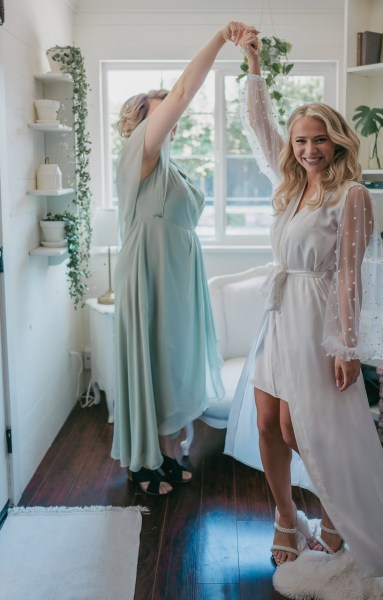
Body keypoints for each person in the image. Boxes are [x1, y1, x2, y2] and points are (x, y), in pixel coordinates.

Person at [225, 32, 383, 578]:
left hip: (317, 322)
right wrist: (253, 63)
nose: (308, 149)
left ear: (338, 142)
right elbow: (259, 127)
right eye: (300, 140)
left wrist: (347, 345)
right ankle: (285, 517)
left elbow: (351, 278)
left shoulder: (351, 195)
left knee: (310, 431)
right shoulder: (292, 182)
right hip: (278, 317)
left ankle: (336, 516)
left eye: (318, 140)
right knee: (267, 423)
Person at [111, 22, 258, 496]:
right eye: (162, 117)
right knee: (152, 361)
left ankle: (169, 452)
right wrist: (219, 40)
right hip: (149, 273)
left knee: (173, 366)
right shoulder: (142, 157)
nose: (170, 123)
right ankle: (142, 463)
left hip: (178, 276)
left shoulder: (171, 165)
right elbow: (181, 92)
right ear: (141, 125)